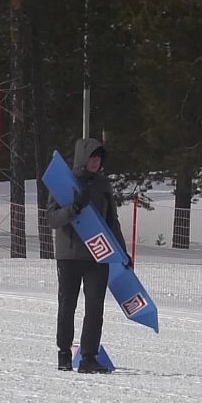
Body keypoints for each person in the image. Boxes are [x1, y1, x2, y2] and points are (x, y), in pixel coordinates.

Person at [46, 138, 130, 374]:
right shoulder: (64, 182)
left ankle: (88, 357)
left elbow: (112, 221)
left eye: (99, 157)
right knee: (67, 305)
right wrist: (73, 209)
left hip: (98, 253)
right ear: (83, 157)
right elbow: (51, 219)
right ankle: (64, 353)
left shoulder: (103, 184)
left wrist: (122, 251)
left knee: (95, 307)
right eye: (92, 156)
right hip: (70, 254)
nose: (96, 161)